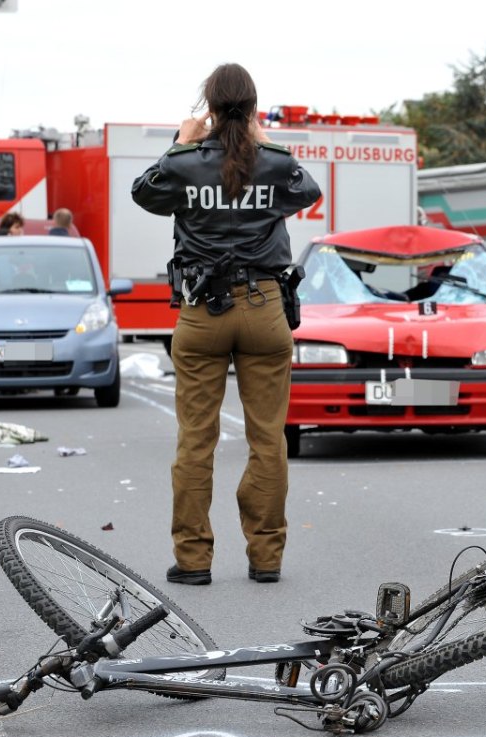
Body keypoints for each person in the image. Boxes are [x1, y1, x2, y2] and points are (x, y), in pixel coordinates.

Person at [131, 63, 321, 586]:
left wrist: (178, 143)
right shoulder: (275, 163)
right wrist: (264, 140)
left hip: (201, 313)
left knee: (196, 441)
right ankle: (266, 558)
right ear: (254, 108)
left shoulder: (186, 164)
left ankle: (192, 560)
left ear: (209, 107)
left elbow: (143, 193)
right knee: (268, 440)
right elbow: (308, 192)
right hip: (264, 310)